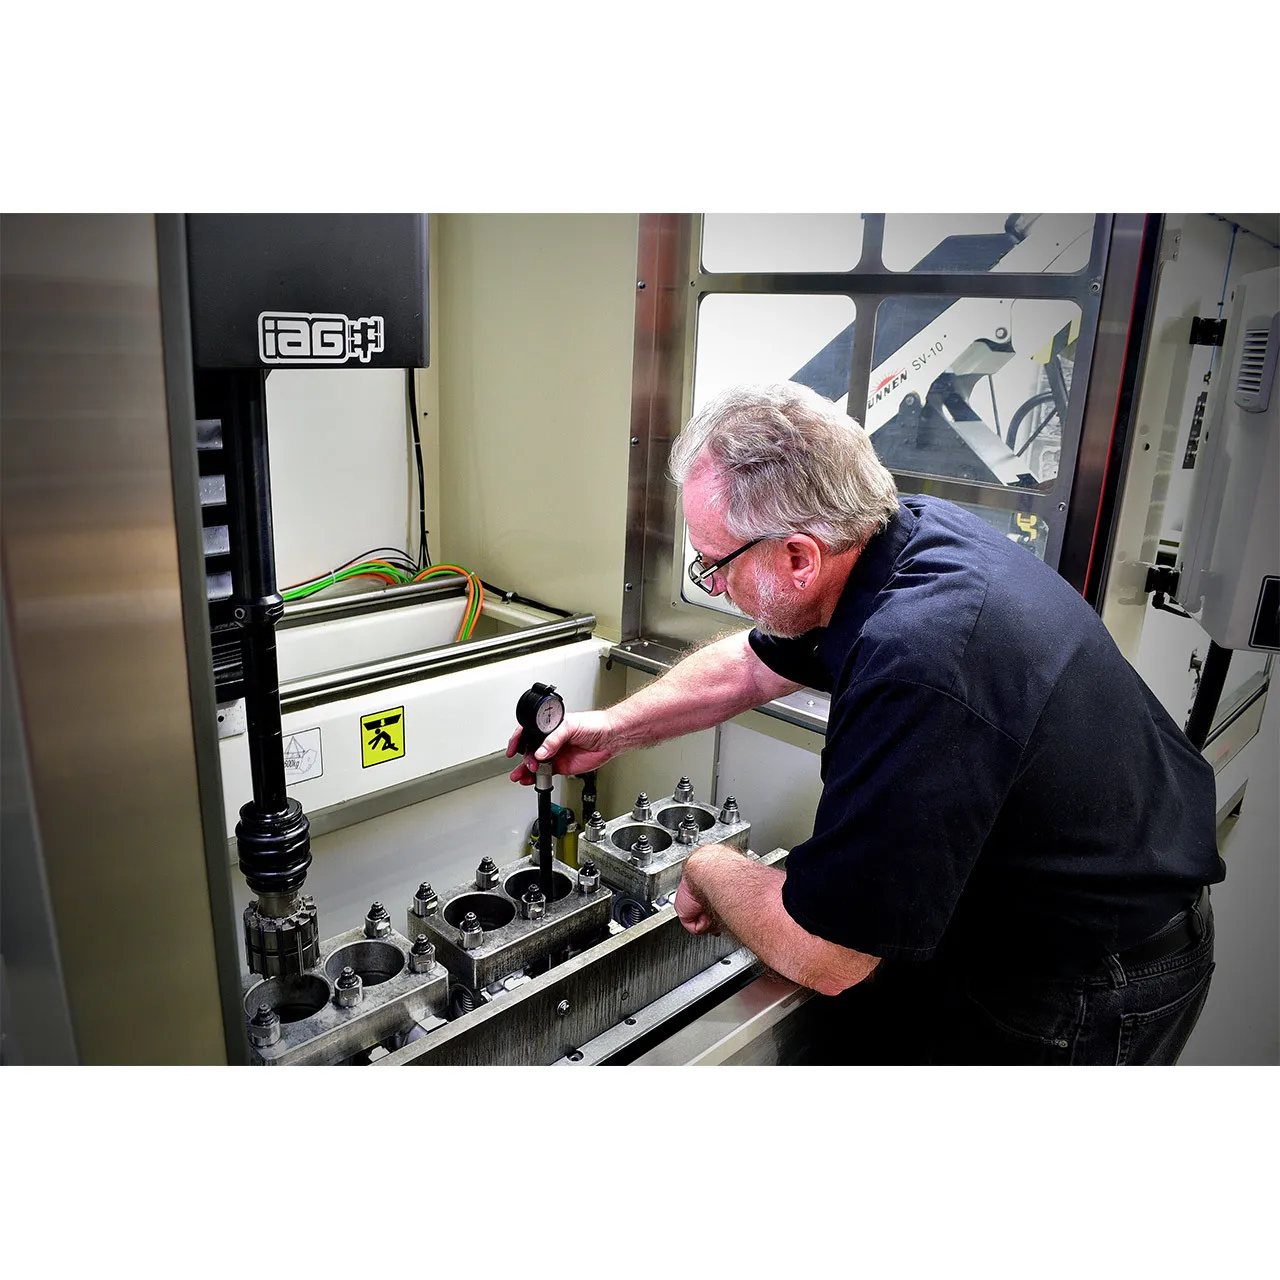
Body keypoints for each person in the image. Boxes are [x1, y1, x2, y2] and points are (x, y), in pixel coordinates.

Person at [507, 382, 1224, 1065]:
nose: (714, 584)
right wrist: (616, 728)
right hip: (1056, 919)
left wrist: (709, 867)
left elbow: (830, 957)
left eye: (714, 564)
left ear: (798, 557)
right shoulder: (898, 535)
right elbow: (753, 664)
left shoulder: (919, 660)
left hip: (1089, 986)